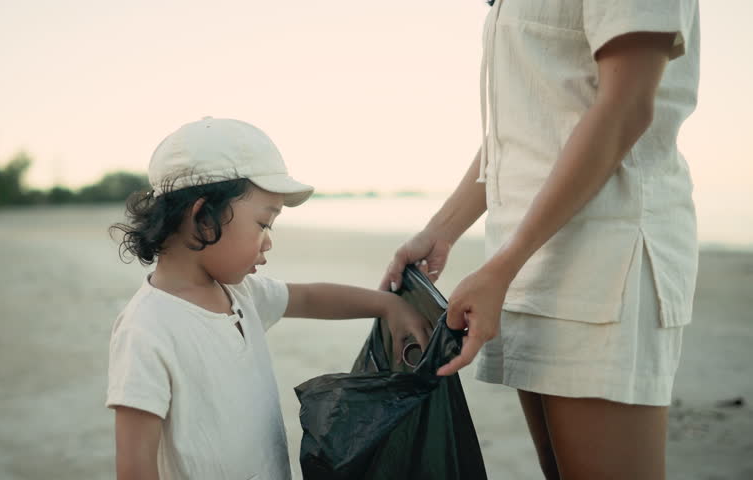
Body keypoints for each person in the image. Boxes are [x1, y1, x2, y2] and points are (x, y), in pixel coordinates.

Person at [382, 1, 700, 478]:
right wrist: (441, 230)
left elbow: (626, 107)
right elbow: (516, 132)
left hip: (605, 263)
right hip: (530, 262)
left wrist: (502, 267)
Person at [106, 117, 429, 480]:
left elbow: (308, 298)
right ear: (202, 217)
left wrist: (387, 304)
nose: (269, 241)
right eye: (263, 224)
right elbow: (134, 468)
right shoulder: (147, 329)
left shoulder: (240, 293)